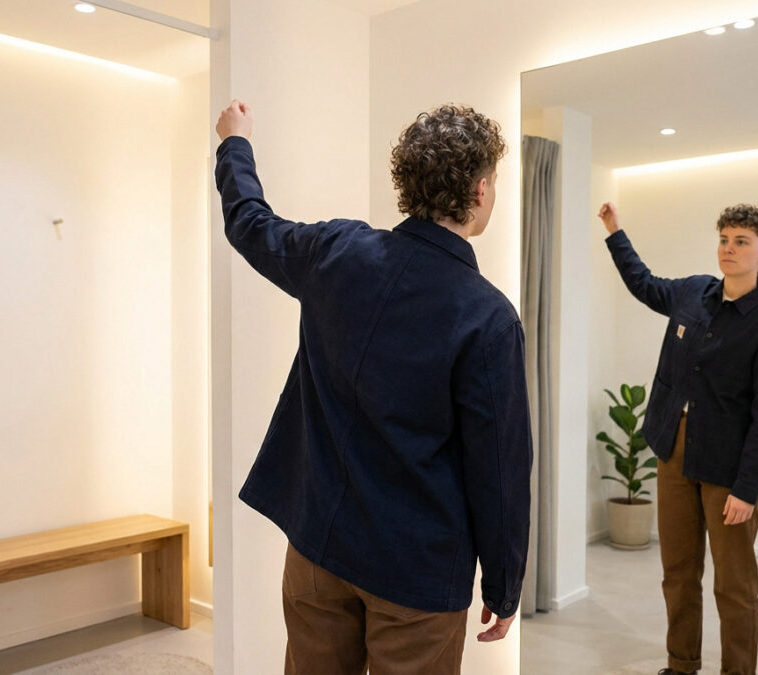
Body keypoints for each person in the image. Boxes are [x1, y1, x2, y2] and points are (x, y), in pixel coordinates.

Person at [215, 100, 532, 675]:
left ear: (407, 183)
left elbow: (249, 222)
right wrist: (505, 584)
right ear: (482, 191)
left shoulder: (337, 252)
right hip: (416, 572)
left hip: (317, 546)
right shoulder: (488, 317)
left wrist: (235, 142)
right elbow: (500, 469)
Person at [597, 202, 758, 675]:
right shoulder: (693, 293)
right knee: (678, 574)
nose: (729, 249)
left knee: (734, 586)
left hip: (728, 469)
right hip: (674, 451)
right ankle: (681, 664)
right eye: (724, 239)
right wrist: (615, 232)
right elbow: (644, 284)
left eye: (741, 241)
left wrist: (747, 489)